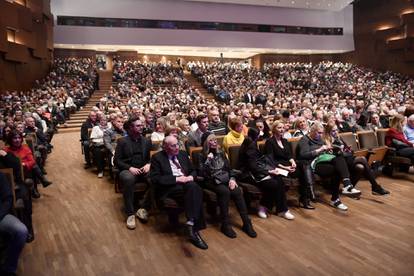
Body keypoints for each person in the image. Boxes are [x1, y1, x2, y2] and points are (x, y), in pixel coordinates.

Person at [150, 135, 208, 250]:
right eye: (173, 146)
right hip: (170, 187)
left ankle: (191, 225)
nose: (177, 147)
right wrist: (177, 179)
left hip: (186, 184)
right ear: (165, 147)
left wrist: (191, 177)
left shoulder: (182, 154)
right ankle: (194, 229)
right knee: (195, 190)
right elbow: (155, 179)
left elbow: (192, 170)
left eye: (177, 144)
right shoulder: (157, 157)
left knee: (193, 187)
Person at [199, 132, 256, 238]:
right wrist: (208, 160)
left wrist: (233, 179)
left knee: (236, 190)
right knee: (224, 192)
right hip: (211, 181)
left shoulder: (220, 152)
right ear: (206, 143)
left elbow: (229, 169)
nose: (214, 141)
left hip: (224, 178)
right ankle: (225, 224)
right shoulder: (201, 155)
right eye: (211, 140)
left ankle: (247, 223)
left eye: (215, 139)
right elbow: (201, 174)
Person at [296, 123, 357, 211]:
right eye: (319, 133)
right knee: (337, 168)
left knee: (339, 159)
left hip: (323, 161)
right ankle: (337, 198)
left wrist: (329, 149)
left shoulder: (320, 139)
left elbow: (325, 151)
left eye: (322, 133)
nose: (321, 135)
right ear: (312, 131)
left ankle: (346, 186)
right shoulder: (304, 140)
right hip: (313, 164)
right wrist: (319, 150)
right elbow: (303, 155)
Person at [238, 128, 294, 220]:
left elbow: (259, 161)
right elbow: (252, 166)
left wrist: (272, 169)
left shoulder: (252, 143)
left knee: (279, 178)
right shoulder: (250, 146)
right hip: (248, 175)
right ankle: (263, 206)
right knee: (273, 184)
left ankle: (282, 210)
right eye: (259, 135)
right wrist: (268, 171)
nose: (260, 136)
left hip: (258, 172)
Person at [323, 122, 390, 195]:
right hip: (339, 161)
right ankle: (375, 187)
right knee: (362, 159)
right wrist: (340, 151)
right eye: (333, 131)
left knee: (360, 167)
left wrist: (347, 149)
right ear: (328, 131)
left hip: (346, 157)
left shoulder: (339, 138)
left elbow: (349, 151)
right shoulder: (326, 140)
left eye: (336, 130)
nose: (336, 132)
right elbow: (329, 155)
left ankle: (350, 188)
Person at [264, 121, 314, 209]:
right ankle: (305, 196)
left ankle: (305, 197)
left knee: (304, 166)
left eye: (283, 127)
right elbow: (271, 160)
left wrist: (293, 162)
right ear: (274, 129)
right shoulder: (269, 142)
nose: (282, 129)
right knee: (301, 171)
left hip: (288, 165)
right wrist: (285, 167)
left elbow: (289, 156)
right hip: (277, 167)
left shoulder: (285, 141)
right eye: (279, 128)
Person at [114, 117, 152, 229]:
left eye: (142, 125)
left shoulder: (146, 140)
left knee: (156, 177)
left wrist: (149, 164)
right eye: (138, 126)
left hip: (144, 169)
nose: (142, 127)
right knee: (129, 179)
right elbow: (117, 160)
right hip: (128, 169)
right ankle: (130, 213)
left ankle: (143, 208)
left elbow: (152, 157)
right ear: (131, 128)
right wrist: (130, 168)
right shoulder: (122, 141)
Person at [4, 130, 52, 199]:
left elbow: (32, 161)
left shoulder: (25, 148)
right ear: (10, 139)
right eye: (15, 138)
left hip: (26, 169)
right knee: (33, 168)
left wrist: (24, 164)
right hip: (15, 173)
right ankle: (41, 182)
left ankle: (34, 189)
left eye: (19, 138)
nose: (17, 140)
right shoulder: (6, 150)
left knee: (33, 166)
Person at [0, 173, 28, 276]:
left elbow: (8, 199)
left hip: (1, 215)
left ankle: (8, 268)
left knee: (21, 231)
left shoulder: (0, 176)